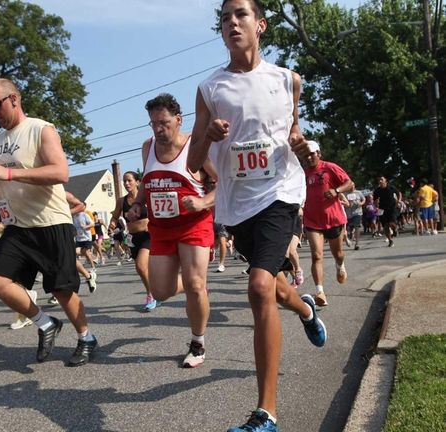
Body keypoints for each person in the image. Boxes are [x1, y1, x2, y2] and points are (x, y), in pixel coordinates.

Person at [187, 1, 327, 430]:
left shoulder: (287, 80)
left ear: (260, 25)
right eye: (225, 17)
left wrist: (306, 150)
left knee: (258, 285)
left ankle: (266, 415)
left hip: (281, 193)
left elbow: (295, 133)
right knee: (272, 289)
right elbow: (194, 162)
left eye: (240, 14)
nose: (231, 22)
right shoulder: (210, 89)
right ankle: (304, 310)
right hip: (238, 205)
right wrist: (208, 136)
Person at [0, 78, 97, 366]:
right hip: (18, 226)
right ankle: (45, 323)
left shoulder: (41, 129)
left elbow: (60, 172)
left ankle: (87, 338)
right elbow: (5, 177)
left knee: (61, 290)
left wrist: (6, 174)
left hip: (51, 221)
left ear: (14, 98)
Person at [131, 93, 216, 368]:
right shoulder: (148, 147)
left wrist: (203, 201)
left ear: (178, 120)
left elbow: (224, 184)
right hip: (161, 229)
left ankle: (198, 342)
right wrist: (136, 204)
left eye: (164, 122)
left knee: (194, 284)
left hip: (194, 224)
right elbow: (146, 182)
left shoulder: (196, 147)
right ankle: (196, 283)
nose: (158, 128)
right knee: (160, 291)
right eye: (153, 123)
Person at [302, 140, 354, 307]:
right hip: (312, 219)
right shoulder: (302, 173)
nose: (309, 157)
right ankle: (320, 291)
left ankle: (340, 265)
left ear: (319, 154)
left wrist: (337, 190)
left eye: (312, 153)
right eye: (306, 154)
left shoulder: (329, 167)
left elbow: (350, 184)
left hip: (333, 219)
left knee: (337, 253)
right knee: (316, 255)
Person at [110, 171, 156, 311]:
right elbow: (115, 216)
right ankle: (154, 291)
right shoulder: (121, 201)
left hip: (148, 236)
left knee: (141, 266)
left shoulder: (146, 197)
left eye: (129, 180)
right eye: (124, 181)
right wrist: (112, 223)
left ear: (138, 182)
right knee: (142, 269)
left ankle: (151, 295)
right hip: (133, 238)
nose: (126, 183)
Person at [374, 176, 400, 247]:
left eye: (381, 179)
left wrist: (399, 201)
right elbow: (375, 199)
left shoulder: (391, 187)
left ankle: (395, 229)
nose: (380, 181)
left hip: (392, 208)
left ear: (385, 181)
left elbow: (398, 193)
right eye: (379, 180)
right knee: (385, 226)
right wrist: (376, 205)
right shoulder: (377, 190)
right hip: (382, 209)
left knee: (391, 223)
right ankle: (390, 241)